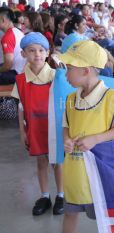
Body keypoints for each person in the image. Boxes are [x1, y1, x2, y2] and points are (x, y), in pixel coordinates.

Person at [58, 40, 114, 233]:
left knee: (104, 216)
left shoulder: (111, 98)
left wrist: (95, 139)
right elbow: (66, 126)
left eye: (69, 68)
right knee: (70, 212)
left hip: (99, 173)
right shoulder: (71, 99)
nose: (65, 74)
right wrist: (66, 139)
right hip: (75, 171)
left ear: (85, 70)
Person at [11, 32, 64, 216]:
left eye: (41, 50)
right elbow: (20, 107)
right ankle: (45, 195)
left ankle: (61, 195)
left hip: (54, 127)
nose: (37, 54)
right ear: (23, 54)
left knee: (57, 162)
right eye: (31, 51)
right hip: (34, 128)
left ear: (47, 52)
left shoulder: (56, 76)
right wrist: (22, 131)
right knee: (41, 161)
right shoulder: (20, 79)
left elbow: (65, 102)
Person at [0, 7, 26, 85]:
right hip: (21, 70)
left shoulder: (8, 36)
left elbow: (8, 65)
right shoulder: (18, 31)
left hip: (14, 74)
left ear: (2, 19)